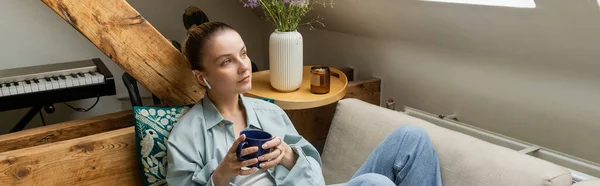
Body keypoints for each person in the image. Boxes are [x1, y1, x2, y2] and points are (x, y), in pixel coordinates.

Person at [166, 21, 443, 186]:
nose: (244, 66)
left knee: (412, 137)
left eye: (243, 54)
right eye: (227, 61)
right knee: (376, 183)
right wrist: (221, 175)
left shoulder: (270, 112)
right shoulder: (186, 135)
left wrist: (288, 156)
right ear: (201, 77)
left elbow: (314, 178)